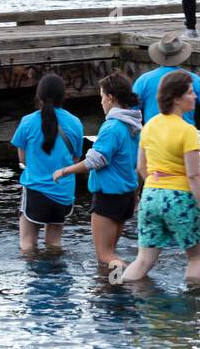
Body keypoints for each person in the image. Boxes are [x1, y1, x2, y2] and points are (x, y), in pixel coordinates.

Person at [119, 70, 200, 284]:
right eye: (190, 93)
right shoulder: (187, 130)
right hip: (179, 197)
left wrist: (156, 186)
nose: (195, 96)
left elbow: (140, 167)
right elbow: (194, 175)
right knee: (196, 258)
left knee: (143, 260)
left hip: (151, 196)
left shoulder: (150, 125)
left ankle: (121, 294)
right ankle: (194, 308)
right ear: (177, 99)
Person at [52, 73, 142, 271]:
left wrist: (65, 171)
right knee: (111, 252)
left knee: (105, 256)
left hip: (108, 197)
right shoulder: (134, 126)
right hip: (126, 197)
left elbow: (96, 160)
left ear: (110, 97)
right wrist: (136, 193)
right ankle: (115, 294)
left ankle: (132, 280)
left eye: (101, 96)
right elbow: (137, 165)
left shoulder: (112, 127)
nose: (101, 102)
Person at [11, 73, 85, 252]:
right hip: (63, 193)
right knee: (54, 244)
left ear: (39, 96)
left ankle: (34, 277)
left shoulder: (28, 122)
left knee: (27, 244)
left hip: (36, 189)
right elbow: (76, 160)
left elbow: (22, 159)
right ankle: (57, 277)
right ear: (64, 96)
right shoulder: (75, 123)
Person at [133, 34, 200, 125]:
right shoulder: (193, 79)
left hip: (154, 136)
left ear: (159, 54)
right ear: (181, 55)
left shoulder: (143, 80)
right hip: (184, 134)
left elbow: (131, 111)